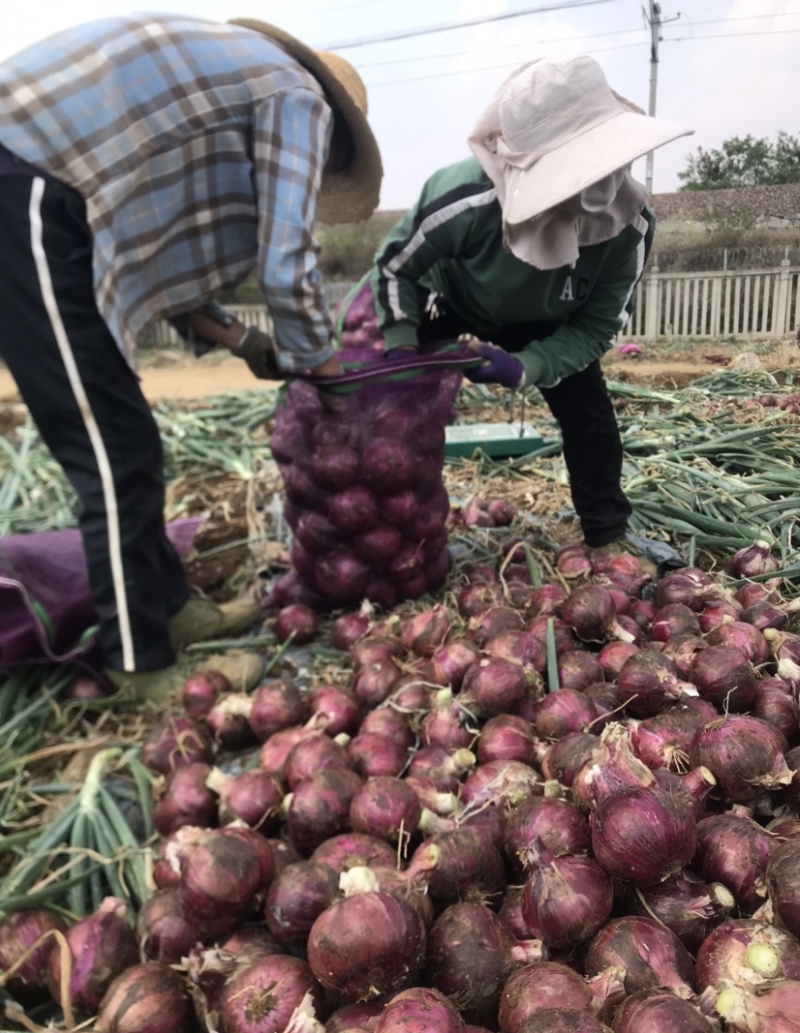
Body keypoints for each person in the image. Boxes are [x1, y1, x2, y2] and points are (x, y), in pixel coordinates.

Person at [0, 14, 382, 702]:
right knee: (112, 450)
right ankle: (139, 663)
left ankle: (172, 610)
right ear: (332, 135)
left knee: (129, 440)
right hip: (16, 185)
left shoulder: (231, 90)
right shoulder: (297, 99)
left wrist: (247, 342)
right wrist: (324, 371)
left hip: (33, 187)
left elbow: (162, 263)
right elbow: (286, 262)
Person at [370, 56, 691, 568]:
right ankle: (404, 536)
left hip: (550, 319)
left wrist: (527, 366)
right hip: (454, 301)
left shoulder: (630, 228)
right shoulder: (464, 199)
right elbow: (393, 268)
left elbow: (595, 328)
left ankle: (608, 532)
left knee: (589, 416)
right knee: (397, 415)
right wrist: (404, 350)